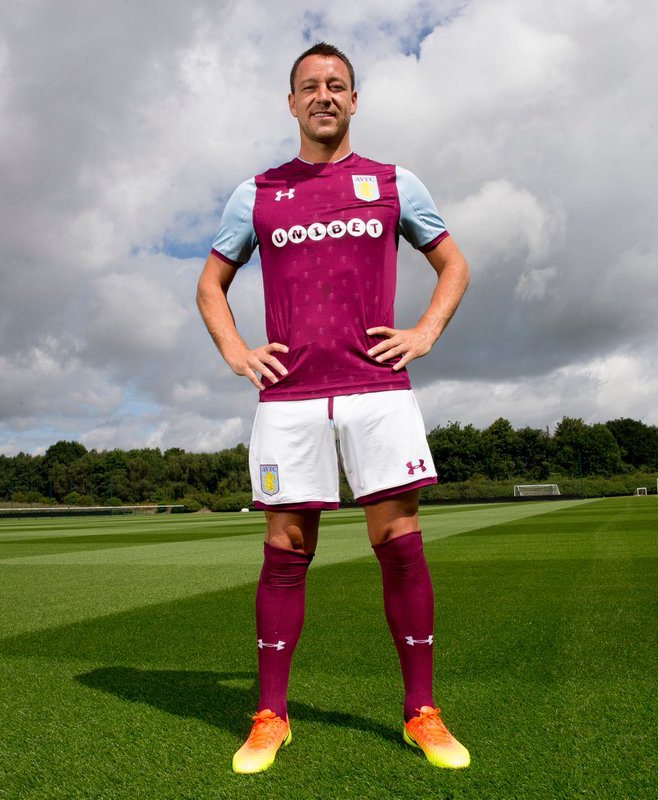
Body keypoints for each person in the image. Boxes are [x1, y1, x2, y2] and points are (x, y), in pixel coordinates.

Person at [196, 41, 470, 774]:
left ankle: (422, 713)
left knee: (399, 541)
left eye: (337, 85)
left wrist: (425, 331)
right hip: (288, 397)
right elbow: (209, 286)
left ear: (354, 101)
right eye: (310, 86)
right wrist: (236, 354)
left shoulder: (391, 182)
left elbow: (453, 264)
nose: (324, 95)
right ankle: (270, 716)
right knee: (286, 551)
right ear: (291, 103)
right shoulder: (256, 193)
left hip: (377, 390)